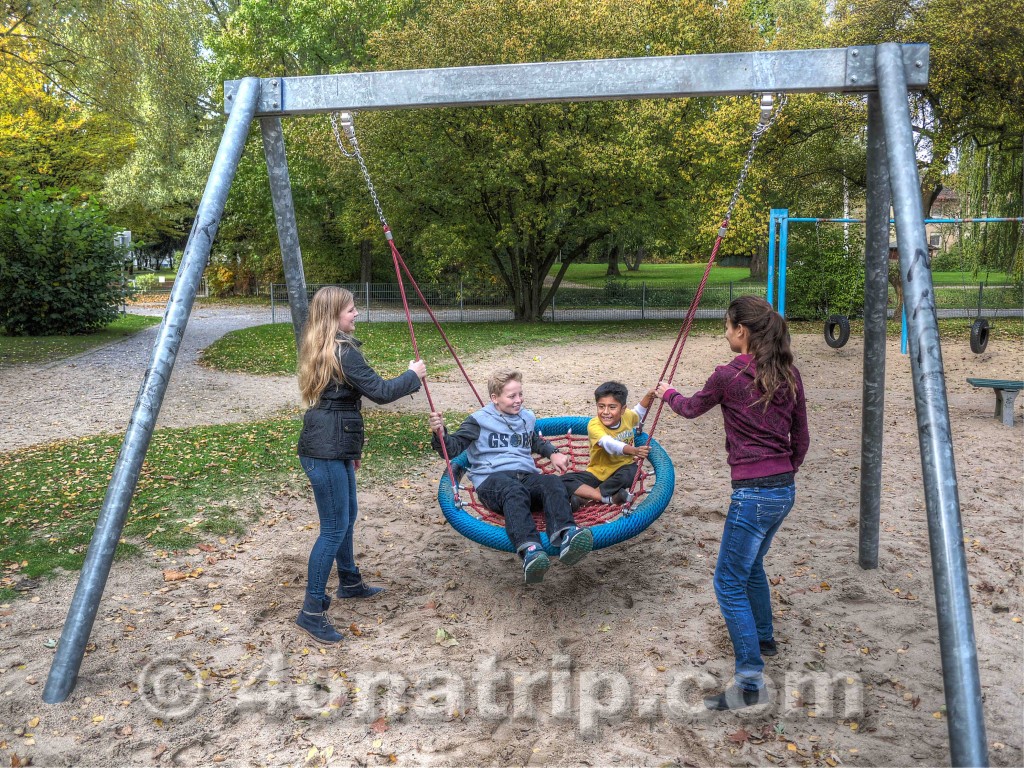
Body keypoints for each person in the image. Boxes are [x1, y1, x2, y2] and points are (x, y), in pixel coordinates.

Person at [654, 295, 809, 710]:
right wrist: (783, 472)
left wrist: (667, 392)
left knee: (727, 582)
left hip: (753, 494)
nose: (725, 333)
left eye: (726, 326)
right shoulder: (789, 374)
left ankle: (748, 683)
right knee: (752, 564)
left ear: (741, 331)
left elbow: (689, 408)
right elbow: (802, 438)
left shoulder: (727, 375)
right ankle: (764, 636)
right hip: (784, 491)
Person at [295, 286, 427, 644]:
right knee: (333, 529)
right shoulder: (344, 352)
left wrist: (350, 450)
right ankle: (310, 611)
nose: (357, 314)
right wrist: (413, 375)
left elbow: (339, 405)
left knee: (347, 516)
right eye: (351, 309)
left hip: (331, 445)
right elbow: (381, 392)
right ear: (335, 315)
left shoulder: (325, 346)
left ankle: (349, 581)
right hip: (325, 449)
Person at [428, 369, 593, 584]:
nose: (518, 401)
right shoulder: (478, 421)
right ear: (494, 398)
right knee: (513, 490)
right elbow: (452, 449)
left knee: (551, 481)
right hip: (492, 482)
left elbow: (532, 440)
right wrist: (440, 433)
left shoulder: (526, 417)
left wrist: (553, 453)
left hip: (524, 477)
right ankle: (530, 550)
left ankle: (566, 534)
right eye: (511, 396)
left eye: (520, 394)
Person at [561, 381, 655, 510]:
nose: (605, 412)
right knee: (563, 480)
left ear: (623, 409)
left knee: (633, 472)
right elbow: (609, 444)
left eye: (612, 407)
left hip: (621, 470)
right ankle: (605, 496)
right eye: (601, 406)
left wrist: (649, 396)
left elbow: (638, 413)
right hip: (597, 473)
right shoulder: (594, 425)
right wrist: (633, 450)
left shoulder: (627, 416)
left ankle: (587, 496)